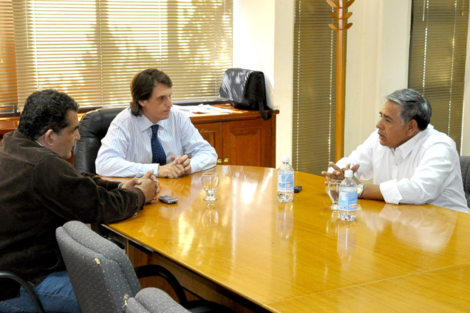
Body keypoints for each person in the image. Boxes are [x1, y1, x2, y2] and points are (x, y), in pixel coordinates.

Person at [0, 89, 159, 312]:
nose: (77, 137)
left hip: (17, 270)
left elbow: (72, 180)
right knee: (124, 300)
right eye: (73, 130)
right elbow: (101, 207)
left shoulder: (13, 143)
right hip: (20, 285)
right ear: (50, 136)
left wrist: (119, 186)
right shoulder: (43, 165)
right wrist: (141, 194)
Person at [322, 88, 468, 213]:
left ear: (411, 127)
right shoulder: (379, 138)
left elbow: (419, 190)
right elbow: (352, 163)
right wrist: (339, 174)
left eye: (388, 120)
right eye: (381, 117)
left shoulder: (440, 146)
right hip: (400, 221)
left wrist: (358, 189)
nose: (379, 125)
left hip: (447, 230)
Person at [95, 68, 217, 178]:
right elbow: (104, 163)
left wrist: (190, 166)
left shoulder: (177, 117)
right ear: (142, 100)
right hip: (138, 192)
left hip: (174, 191)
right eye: (161, 98)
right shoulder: (123, 123)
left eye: (170, 96)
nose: (169, 103)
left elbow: (208, 153)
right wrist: (156, 170)